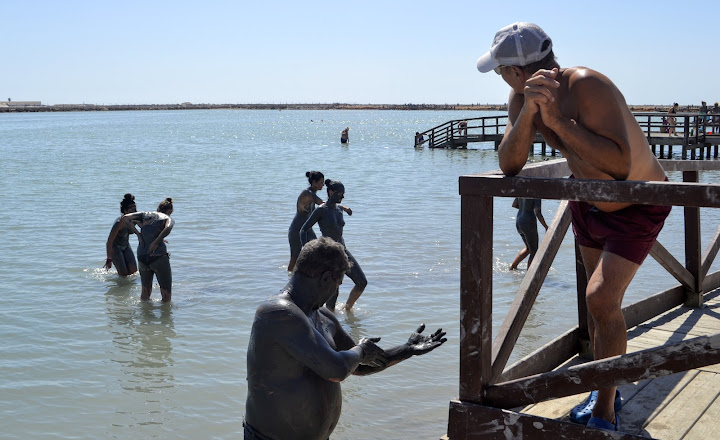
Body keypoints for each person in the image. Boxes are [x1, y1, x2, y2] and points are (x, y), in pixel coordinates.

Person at [477, 22, 671, 431]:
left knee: (601, 299)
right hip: (585, 201)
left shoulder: (588, 86)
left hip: (638, 202)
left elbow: (619, 166)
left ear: (514, 70)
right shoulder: (520, 98)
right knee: (597, 306)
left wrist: (559, 122)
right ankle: (606, 388)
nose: (500, 79)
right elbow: (509, 164)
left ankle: (603, 411)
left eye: (499, 71)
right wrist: (530, 113)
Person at [244, 237, 446, 440]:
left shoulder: (324, 317)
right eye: (338, 283)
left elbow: (360, 365)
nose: (337, 291)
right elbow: (336, 369)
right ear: (325, 278)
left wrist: (407, 349)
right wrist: (362, 350)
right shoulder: (277, 312)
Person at [301, 179, 364, 311]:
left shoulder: (339, 209)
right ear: (330, 192)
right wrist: (305, 250)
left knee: (362, 282)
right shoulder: (321, 211)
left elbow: (338, 206)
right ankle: (330, 320)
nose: (343, 196)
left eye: (343, 193)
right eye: (340, 193)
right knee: (333, 293)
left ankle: (347, 310)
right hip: (329, 255)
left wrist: (346, 208)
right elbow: (303, 230)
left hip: (343, 251)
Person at [288, 171, 352, 272]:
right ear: (314, 182)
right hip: (297, 229)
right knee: (295, 257)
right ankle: (290, 277)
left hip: (308, 230)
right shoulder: (307, 193)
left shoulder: (313, 193)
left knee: (316, 254)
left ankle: (310, 276)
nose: (323, 184)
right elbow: (324, 203)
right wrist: (343, 207)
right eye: (321, 182)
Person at [122, 198, 175, 303]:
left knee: (145, 294)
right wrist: (156, 242)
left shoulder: (145, 214)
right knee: (166, 296)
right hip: (158, 256)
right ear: (170, 211)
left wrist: (138, 234)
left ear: (158, 208)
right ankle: (165, 317)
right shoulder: (167, 218)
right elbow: (168, 228)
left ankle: (145, 317)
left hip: (142, 256)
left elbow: (125, 218)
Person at [104, 193, 139, 276]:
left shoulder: (135, 219)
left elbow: (146, 229)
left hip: (126, 245)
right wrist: (109, 259)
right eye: (132, 209)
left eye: (135, 209)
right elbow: (109, 241)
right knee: (123, 274)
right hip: (115, 247)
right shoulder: (119, 222)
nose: (135, 211)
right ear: (125, 211)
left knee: (133, 271)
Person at [509, 197, 549, 270]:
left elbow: (514, 204)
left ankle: (512, 267)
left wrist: (525, 209)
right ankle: (530, 275)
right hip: (529, 222)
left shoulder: (523, 190)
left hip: (519, 220)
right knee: (534, 251)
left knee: (529, 248)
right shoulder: (536, 193)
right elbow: (538, 213)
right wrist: (546, 227)